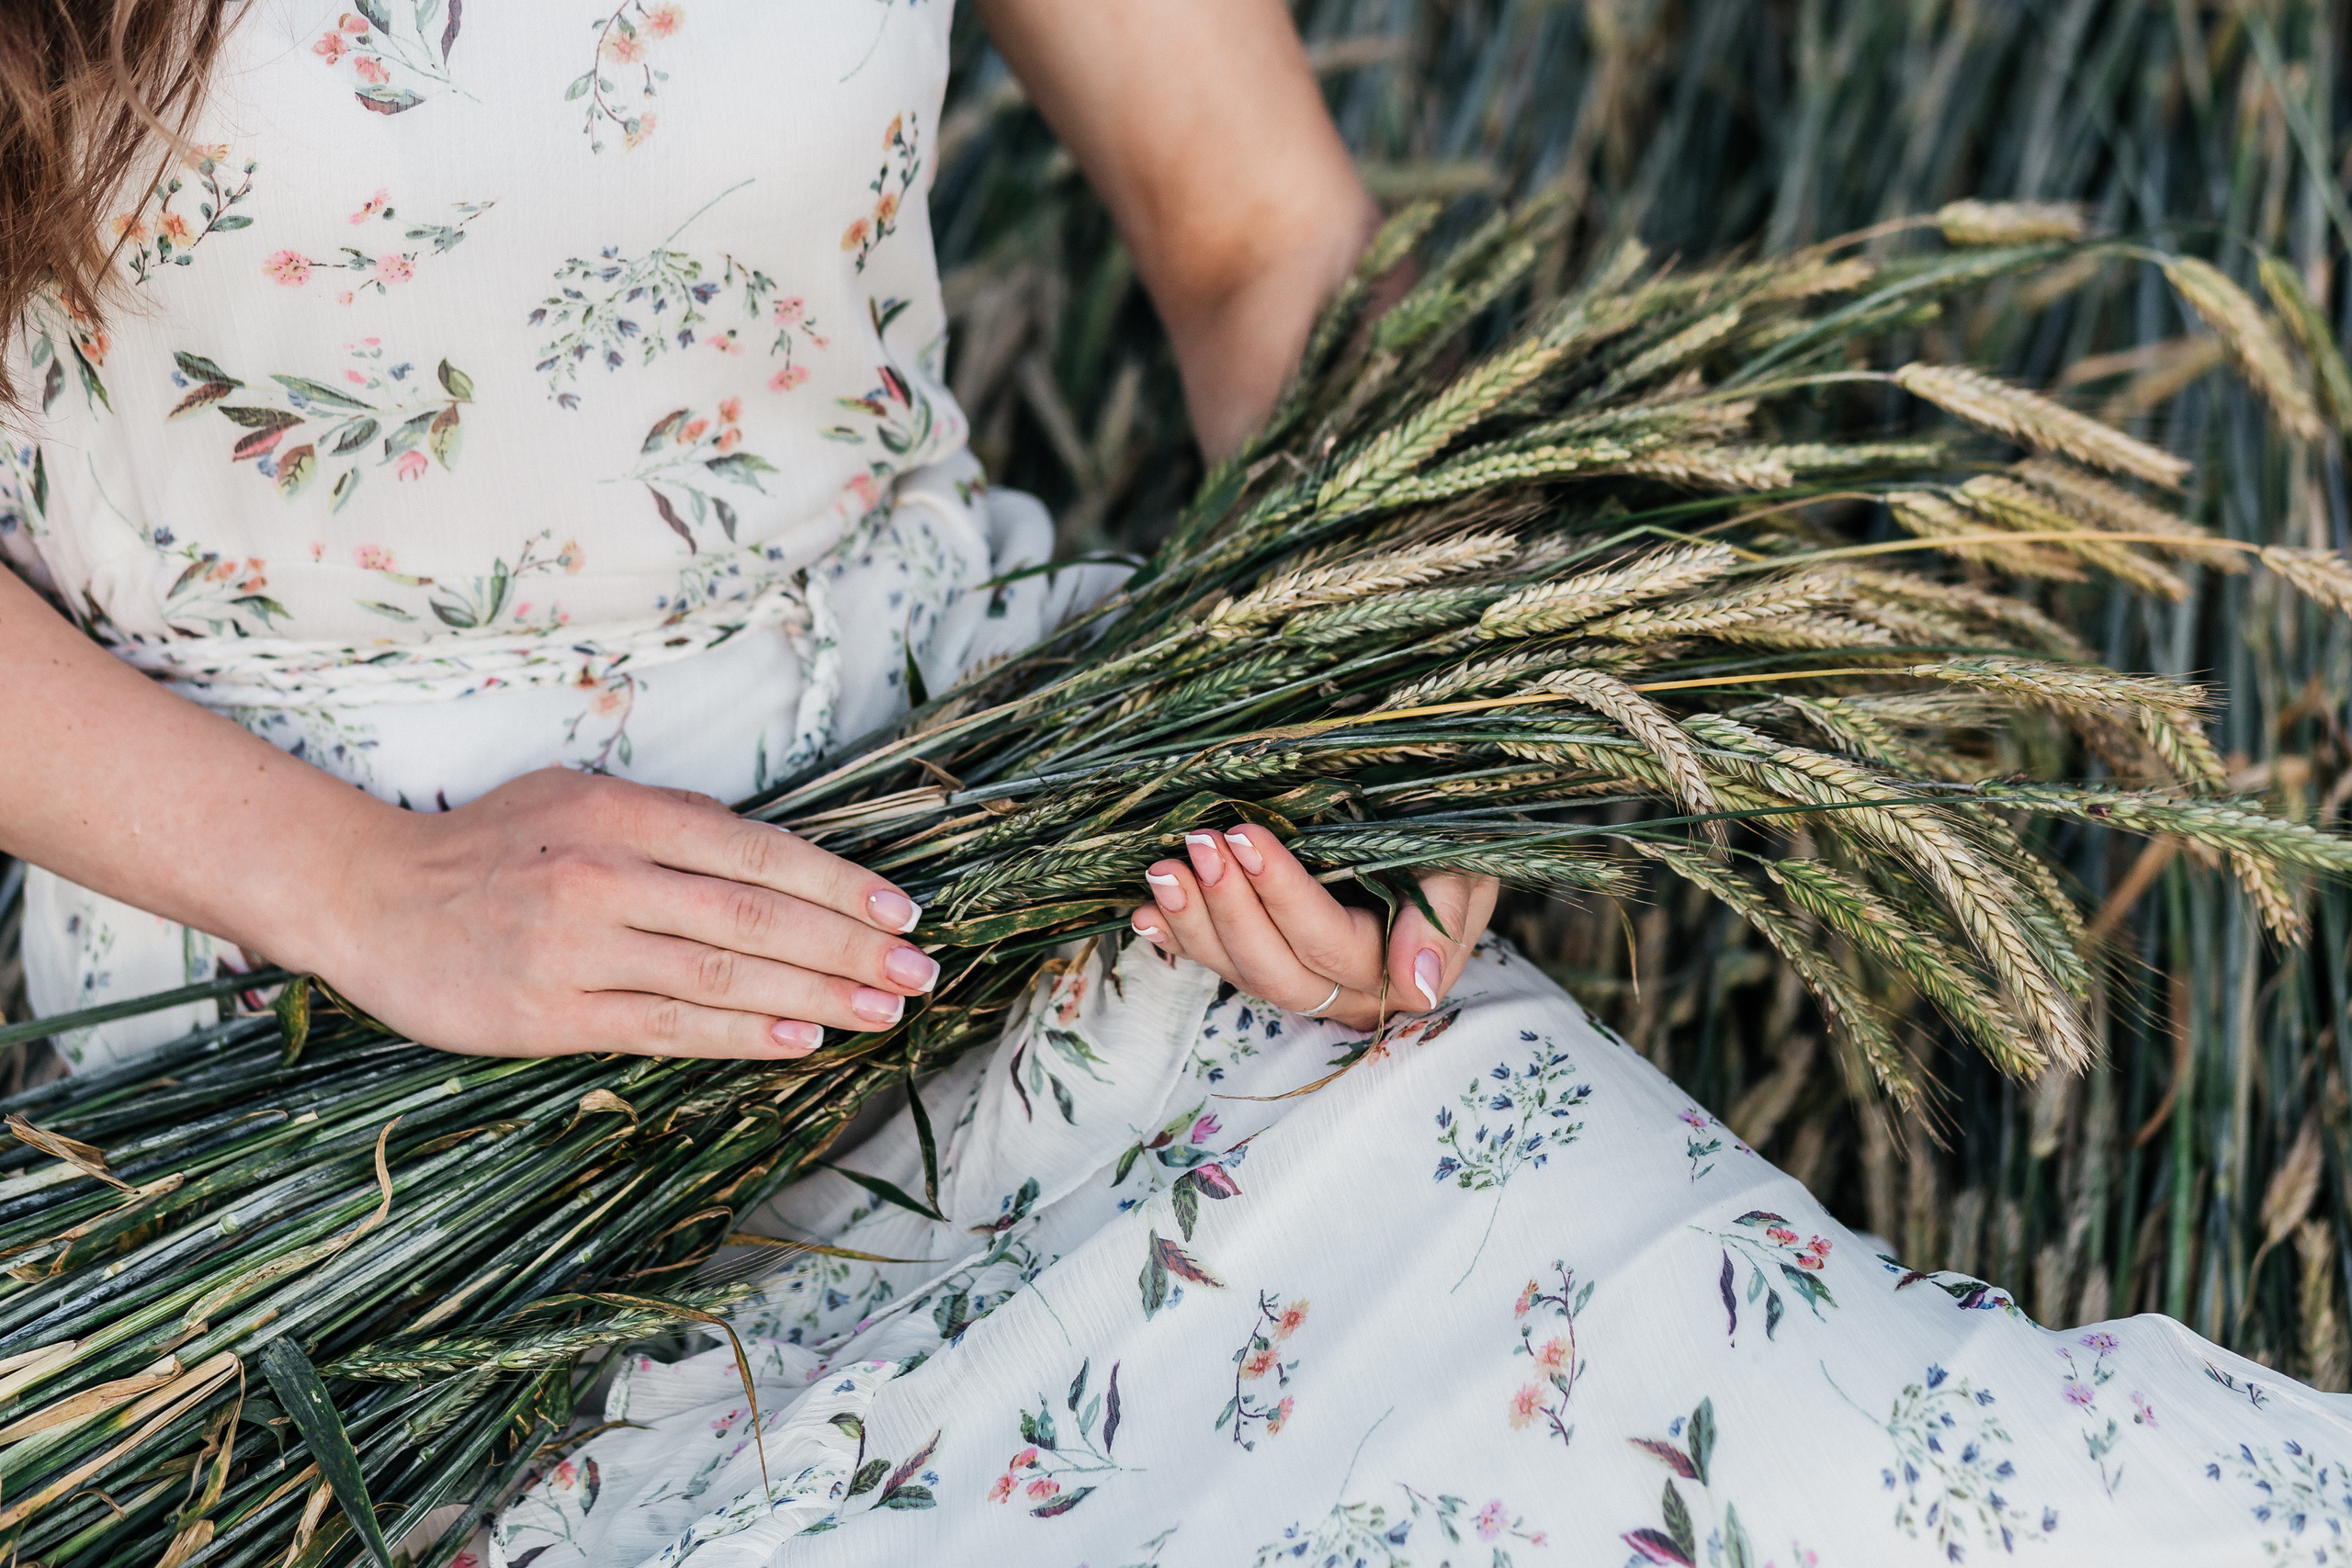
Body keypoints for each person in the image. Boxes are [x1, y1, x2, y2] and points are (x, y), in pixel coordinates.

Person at [1, 5, 2346, 1564]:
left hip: (1003, 823)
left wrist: (1395, 726)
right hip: (342, 1043)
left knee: (1843, 1468)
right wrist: (361, 885)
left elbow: (1254, 240)